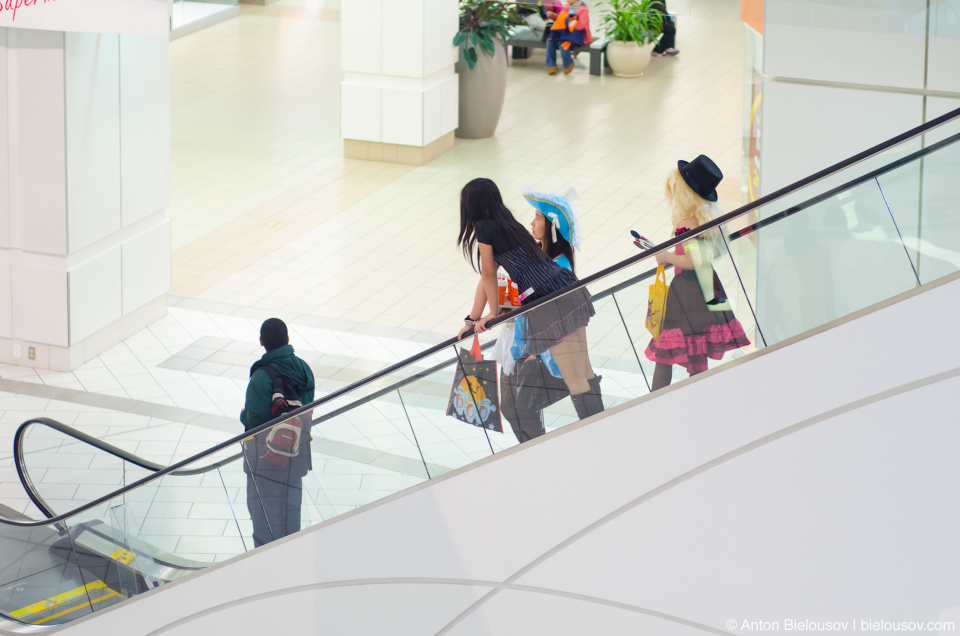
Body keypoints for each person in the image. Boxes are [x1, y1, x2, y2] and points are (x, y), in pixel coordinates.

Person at [457, 178, 604, 422]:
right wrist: (472, 319)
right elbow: (487, 278)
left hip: (546, 299)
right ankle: (606, 429)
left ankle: (598, 436)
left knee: (574, 380)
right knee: (584, 371)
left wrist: (492, 314)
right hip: (565, 284)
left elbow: (488, 273)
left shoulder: (483, 227)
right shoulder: (508, 222)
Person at [499, 189, 602, 441]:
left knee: (522, 407)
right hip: (536, 349)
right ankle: (600, 433)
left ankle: (594, 437)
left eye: (538, 218)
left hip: (545, 353)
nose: (531, 223)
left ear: (552, 226)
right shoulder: (545, 259)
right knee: (582, 377)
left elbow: (550, 316)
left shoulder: (558, 266)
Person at [645, 156, 750, 390]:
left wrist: (665, 257)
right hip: (707, 287)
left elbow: (694, 261)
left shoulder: (686, 223)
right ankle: (699, 398)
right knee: (698, 353)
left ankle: (654, 403)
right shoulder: (705, 218)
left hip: (688, 291)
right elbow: (702, 259)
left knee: (665, 355)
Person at [241, 318, 315, 547]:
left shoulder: (261, 378)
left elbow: (254, 422)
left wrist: (243, 414)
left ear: (262, 342)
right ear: (288, 339)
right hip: (296, 454)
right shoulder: (304, 369)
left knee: (265, 520)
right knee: (291, 514)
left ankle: (269, 568)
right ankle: (292, 556)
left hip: (266, 461)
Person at [546, 1, 592, 75]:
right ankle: (551, 65)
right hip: (566, 31)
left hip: (577, 33)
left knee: (563, 42)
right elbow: (560, 18)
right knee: (550, 40)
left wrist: (567, 23)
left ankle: (568, 63)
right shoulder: (566, 6)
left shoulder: (583, 7)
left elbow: (581, 25)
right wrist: (553, 15)